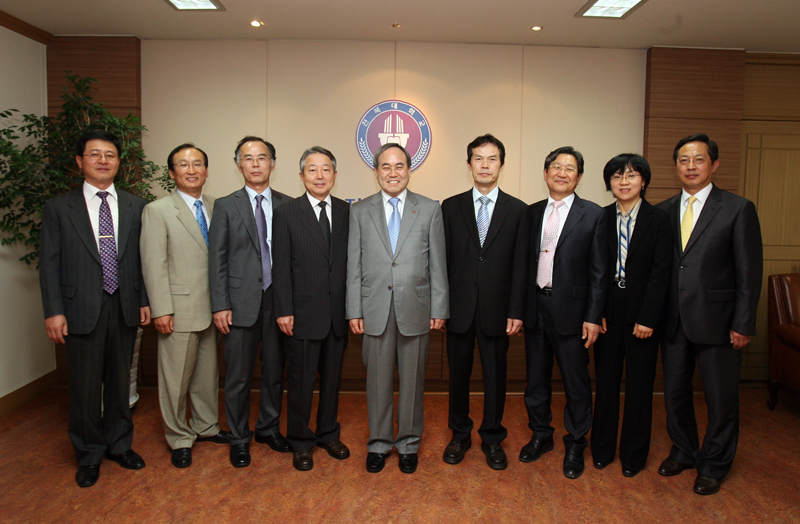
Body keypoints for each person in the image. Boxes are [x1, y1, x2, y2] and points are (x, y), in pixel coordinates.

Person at [39, 129, 151, 487]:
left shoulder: (136, 206)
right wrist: (54, 310)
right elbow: (49, 263)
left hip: (125, 305)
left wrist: (145, 300)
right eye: (94, 154)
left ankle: (119, 445)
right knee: (85, 387)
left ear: (118, 162)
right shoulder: (60, 207)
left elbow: (142, 259)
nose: (103, 160)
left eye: (110, 155)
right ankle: (88, 453)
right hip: (79, 308)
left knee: (120, 382)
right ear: (80, 161)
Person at [656, 134, 763, 495]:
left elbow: (749, 271)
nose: (691, 167)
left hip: (719, 322)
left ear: (714, 164)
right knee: (675, 393)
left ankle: (714, 463)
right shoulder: (663, 210)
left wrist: (743, 323)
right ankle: (684, 450)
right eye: (684, 160)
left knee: (721, 398)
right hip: (673, 321)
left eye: (699, 159)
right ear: (676, 166)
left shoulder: (737, 208)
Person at [347, 143, 449, 474]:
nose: (393, 173)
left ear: (409, 169)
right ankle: (378, 443)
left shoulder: (429, 209)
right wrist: (353, 310)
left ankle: (408, 443)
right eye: (386, 166)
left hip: (416, 308)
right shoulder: (359, 211)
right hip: (373, 308)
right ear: (376, 171)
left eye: (399, 166)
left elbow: (438, 264)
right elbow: (353, 266)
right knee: (377, 383)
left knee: (412, 382)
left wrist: (439, 307)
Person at [440, 134, 527, 470]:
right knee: (457, 377)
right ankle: (459, 434)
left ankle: (492, 437)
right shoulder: (450, 207)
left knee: (495, 378)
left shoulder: (518, 210)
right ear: (469, 164)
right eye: (479, 158)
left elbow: (521, 266)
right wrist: (441, 308)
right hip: (458, 310)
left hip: (498, 311)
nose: (485, 165)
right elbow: (442, 262)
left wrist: (516, 310)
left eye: (492, 159)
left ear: (501, 165)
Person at [520, 146, 606, 480]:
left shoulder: (594, 214)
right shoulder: (531, 212)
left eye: (570, 168)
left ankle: (575, 442)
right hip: (536, 307)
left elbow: (599, 271)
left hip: (574, 312)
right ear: (545, 173)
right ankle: (541, 434)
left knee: (576, 382)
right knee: (536, 381)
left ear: (579, 177)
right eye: (556, 167)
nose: (562, 173)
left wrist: (593, 315)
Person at [140, 143, 228, 469]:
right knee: (175, 381)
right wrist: (161, 309)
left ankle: (206, 426)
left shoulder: (218, 206)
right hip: (177, 310)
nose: (191, 170)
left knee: (206, 376)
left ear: (206, 170)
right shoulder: (158, 210)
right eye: (183, 164)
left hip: (213, 309)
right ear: (171, 172)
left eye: (197, 164)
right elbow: (153, 264)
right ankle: (178, 437)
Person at [208, 136, 291, 468]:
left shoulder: (288, 205)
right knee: (238, 377)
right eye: (248, 158)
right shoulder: (226, 206)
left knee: (274, 373)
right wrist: (220, 304)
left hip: (278, 304)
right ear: (238, 164)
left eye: (262, 157)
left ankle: (268, 429)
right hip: (239, 305)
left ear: (273, 163)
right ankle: (239, 437)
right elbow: (217, 259)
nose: (256, 164)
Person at [590, 153, 672, 477]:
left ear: (644, 181)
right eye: (617, 176)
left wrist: (649, 317)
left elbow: (661, 273)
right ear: (609, 183)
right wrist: (597, 311)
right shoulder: (601, 217)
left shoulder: (659, 219)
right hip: (609, 312)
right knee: (606, 384)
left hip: (643, 314)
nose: (624, 182)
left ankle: (634, 455)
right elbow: (594, 269)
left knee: (639, 387)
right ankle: (602, 449)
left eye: (631, 175)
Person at [273, 146, 351, 471]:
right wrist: (283, 309)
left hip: (337, 314)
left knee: (332, 380)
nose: (320, 176)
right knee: (301, 382)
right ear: (302, 175)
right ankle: (301, 441)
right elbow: (280, 267)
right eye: (312, 170)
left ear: (335, 174)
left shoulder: (346, 211)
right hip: (302, 314)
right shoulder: (287, 213)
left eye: (326, 169)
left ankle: (328, 433)